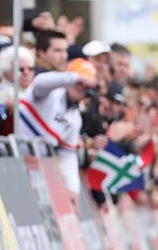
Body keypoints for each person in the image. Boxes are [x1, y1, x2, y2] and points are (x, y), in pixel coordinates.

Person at [18, 57, 99, 197]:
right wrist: (74, 78)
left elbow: (68, 156)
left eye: (85, 86)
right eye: (78, 83)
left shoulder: (75, 118)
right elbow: (40, 82)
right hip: (9, 157)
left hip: (33, 168)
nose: (81, 87)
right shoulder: (49, 93)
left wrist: (73, 190)